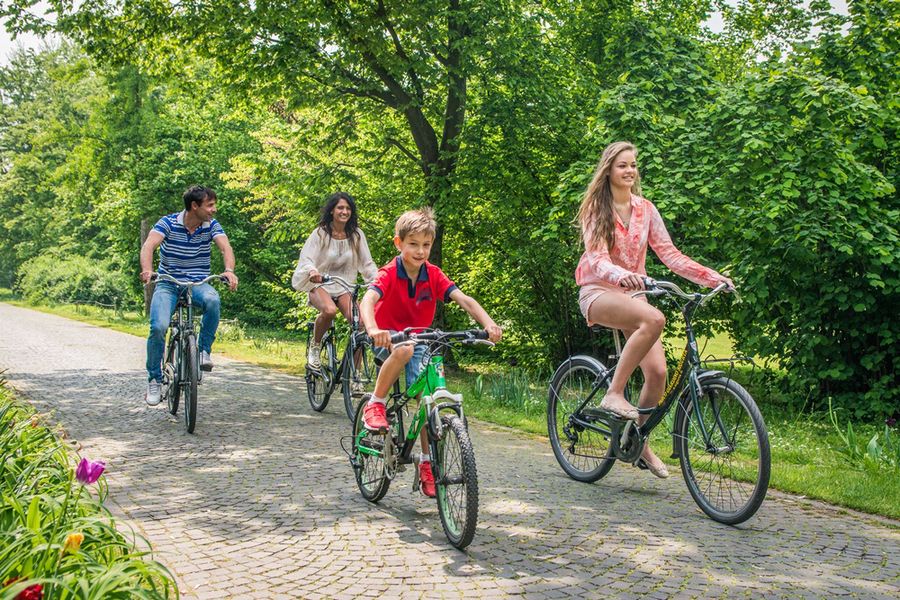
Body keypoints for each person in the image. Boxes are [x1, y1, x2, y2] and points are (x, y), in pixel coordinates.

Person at [575, 141, 733, 479]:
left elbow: (670, 254)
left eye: (633, 165)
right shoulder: (596, 210)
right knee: (655, 318)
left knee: (659, 374)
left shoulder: (645, 209)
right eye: (622, 165)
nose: (629, 171)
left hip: (634, 296)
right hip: (600, 291)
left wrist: (712, 278)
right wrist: (623, 275)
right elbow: (597, 261)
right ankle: (614, 394)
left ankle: (638, 441)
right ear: (608, 170)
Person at [359, 207, 502, 497]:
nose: (420, 251)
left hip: (421, 338)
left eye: (426, 245)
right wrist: (374, 329)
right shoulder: (389, 273)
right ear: (399, 243)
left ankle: (426, 462)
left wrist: (488, 324)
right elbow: (368, 300)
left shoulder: (433, 274)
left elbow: (464, 299)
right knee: (404, 350)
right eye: (413, 244)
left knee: (429, 399)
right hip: (389, 338)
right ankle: (375, 403)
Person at [140, 185, 239, 406]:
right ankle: (154, 380)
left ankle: (203, 351)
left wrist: (229, 271)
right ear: (194, 206)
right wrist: (147, 270)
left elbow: (226, 248)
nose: (214, 209)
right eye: (210, 205)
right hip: (168, 283)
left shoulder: (211, 225)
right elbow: (149, 246)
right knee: (158, 327)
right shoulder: (167, 223)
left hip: (198, 284)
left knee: (213, 300)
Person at [291, 192, 378, 387]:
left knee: (360, 323)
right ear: (332, 210)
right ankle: (315, 347)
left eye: (348, 208)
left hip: (345, 286)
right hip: (320, 284)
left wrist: (377, 280)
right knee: (329, 311)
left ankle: (355, 375)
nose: (344, 211)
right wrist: (312, 271)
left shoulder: (356, 235)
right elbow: (307, 258)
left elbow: (367, 263)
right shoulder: (320, 233)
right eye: (340, 208)